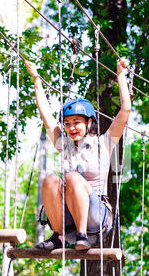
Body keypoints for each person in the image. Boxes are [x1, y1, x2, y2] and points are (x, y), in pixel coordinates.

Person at [24, 57, 131, 251]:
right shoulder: (65, 146)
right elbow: (47, 117)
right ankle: (59, 236)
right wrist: (36, 80)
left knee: (72, 177)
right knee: (50, 180)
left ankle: (82, 236)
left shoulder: (104, 143)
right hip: (69, 220)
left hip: (97, 219)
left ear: (89, 123)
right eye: (67, 124)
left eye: (76, 122)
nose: (71, 127)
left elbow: (125, 111)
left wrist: (121, 77)